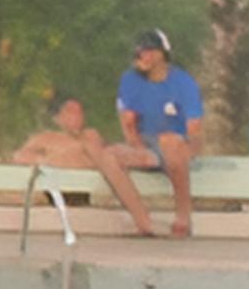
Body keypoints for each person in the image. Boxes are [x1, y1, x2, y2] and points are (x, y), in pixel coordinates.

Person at [14, 93, 159, 231]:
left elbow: (102, 159)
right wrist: (48, 160)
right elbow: (19, 156)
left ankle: (140, 215)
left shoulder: (90, 137)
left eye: (79, 112)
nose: (76, 117)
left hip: (82, 197)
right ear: (58, 118)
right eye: (70, 112)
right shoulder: (46, 138)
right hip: (57, 195)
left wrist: (68, 159)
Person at [114, 31, 204, 233]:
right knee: (108, 154)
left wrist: (188, 151)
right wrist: (137, 147)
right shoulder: (130, 80)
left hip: (176, 144)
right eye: (138, 53)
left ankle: (183, 216)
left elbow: (194, 128)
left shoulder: (183, 83)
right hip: (145, 143)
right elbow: (128, 124)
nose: (140, 58)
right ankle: (140, 216)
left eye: (146, 52)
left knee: (170, 142)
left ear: (160, 54)